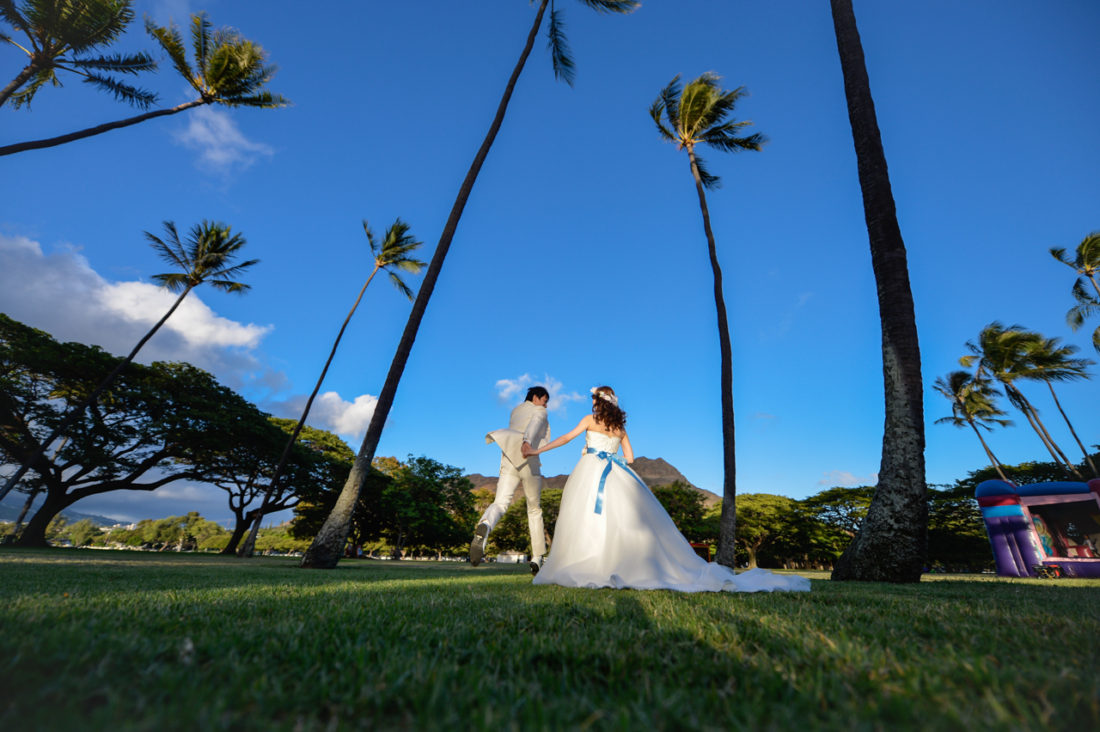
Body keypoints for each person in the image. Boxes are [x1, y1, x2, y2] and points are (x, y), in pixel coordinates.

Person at [526, 386, 810, 593]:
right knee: (620, 521)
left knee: (589, 517)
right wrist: (611, 455)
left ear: (598, 403)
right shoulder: (620, 427)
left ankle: (586, 562)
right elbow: (631, 458)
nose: (591, 404)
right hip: (616, 473)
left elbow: (565, 438)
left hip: (590, 469)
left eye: (593, 400)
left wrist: (543, 449)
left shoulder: (590, 421)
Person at [473, 385, 552, 574]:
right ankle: (537, 558)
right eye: (545, 401)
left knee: (500, 502)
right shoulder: (539, 410)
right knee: (534, 508)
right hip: (528, 456)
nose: (546, 406)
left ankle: (485, 525)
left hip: (508, 457)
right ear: (536, 397)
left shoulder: (515, 411)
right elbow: (536, 422)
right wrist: (527, 441)